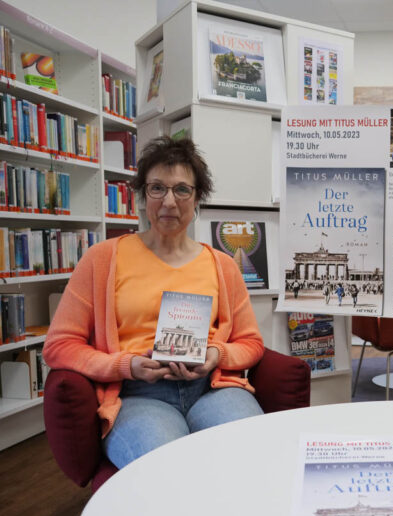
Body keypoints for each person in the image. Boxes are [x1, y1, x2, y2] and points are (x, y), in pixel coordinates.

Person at [42, 136, 265, 469]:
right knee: (166, 471)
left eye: (182, 190)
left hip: (211, 389)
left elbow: (251, 343)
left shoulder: (222, 265)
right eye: (157, 188)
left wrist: (215, 355)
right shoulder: (103, 259)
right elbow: (59, 347)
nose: (169, 202)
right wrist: (125, 365)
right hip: (138, 396)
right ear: (143, 195)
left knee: (252, 454)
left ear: (197, 197)